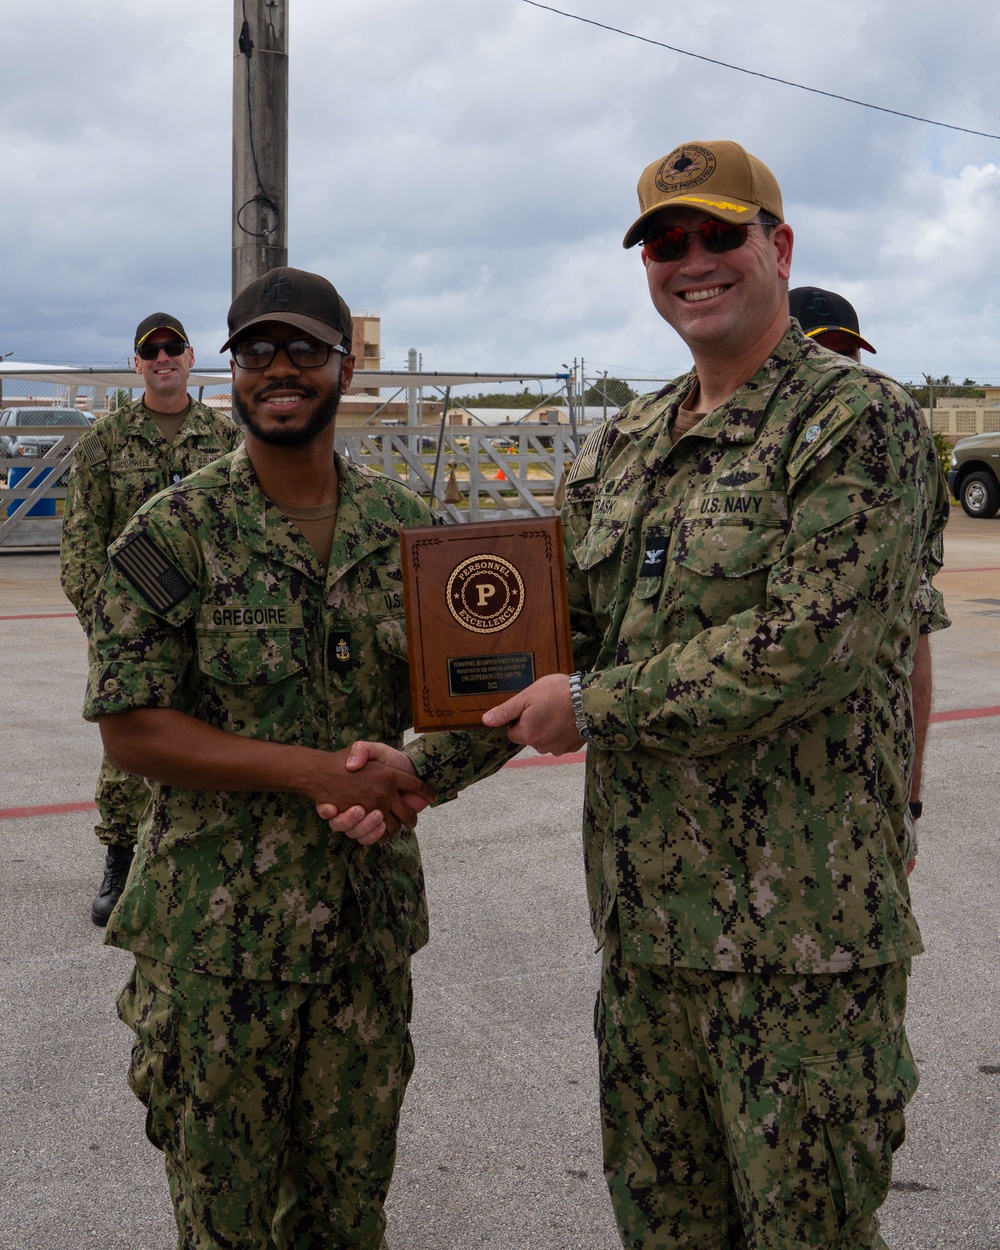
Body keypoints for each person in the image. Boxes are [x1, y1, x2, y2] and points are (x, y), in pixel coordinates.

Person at [333, 141, 950, 1249]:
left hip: (802, 954)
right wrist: (419, 767)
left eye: (721, 234)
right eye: (668, 242)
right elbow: (543, 642)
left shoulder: (858, 422)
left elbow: (805, 641)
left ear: (779, 246)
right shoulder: (623, 443)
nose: (693, 260)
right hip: (650, 943)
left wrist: (600, 704)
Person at [81, 266, 510, 1249]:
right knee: (227, 1225)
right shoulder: (173, 534)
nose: (280, 369)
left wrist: (414, 779)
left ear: (342, 367)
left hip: (360, 942)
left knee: (346, 1217)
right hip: (215, 950)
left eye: (303, 350)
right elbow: (131, 725)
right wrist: (311, 770)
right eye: (258, 352)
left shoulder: (411, 529)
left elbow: (488, 687)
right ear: (232, 372)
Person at [61, 311, 241, 925]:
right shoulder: (105, 442)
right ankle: (120, 857)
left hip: (211, 619)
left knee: (219, 729)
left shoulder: (225, 442)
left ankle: (212, 860)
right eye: (151, 351)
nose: (164, 358)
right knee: (129, 739)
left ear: (192, 358)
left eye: (174, 348)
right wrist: (103, 624)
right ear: (138, 364)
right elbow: (82, 540)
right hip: (130, 625)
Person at [790, 285, 951, 869]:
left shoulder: (890, 444)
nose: (835, 370)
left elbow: (915, 642)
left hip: (857, 804)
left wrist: (909, 798)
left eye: (845, 353)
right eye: (818, 352)